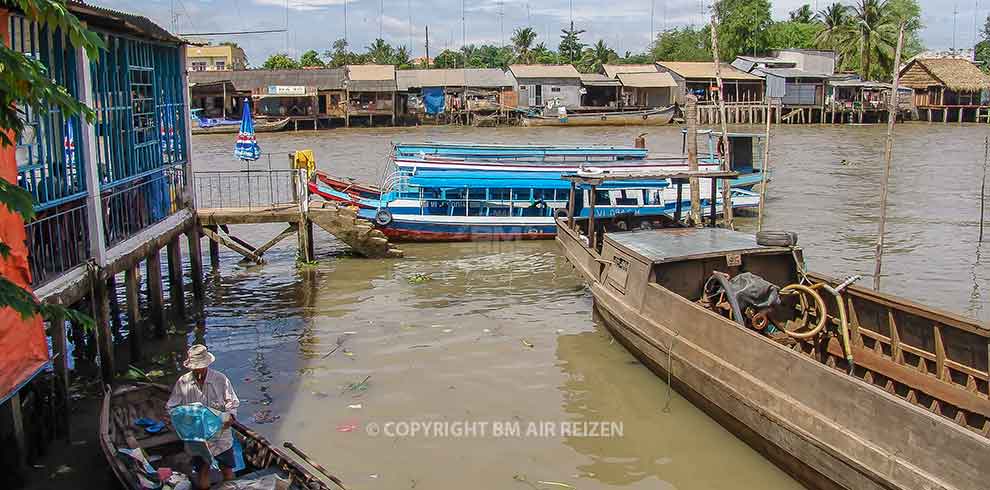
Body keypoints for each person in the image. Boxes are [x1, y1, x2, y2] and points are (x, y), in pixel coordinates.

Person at [166, 344, 240, 490]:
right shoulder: (183, 382)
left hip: (220, 435)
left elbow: (232, 403)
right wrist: (177, 419)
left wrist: (230, 417)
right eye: (195, 368)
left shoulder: (220, 379)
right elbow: (171, 407)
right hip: (197, 437)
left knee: (227, 469)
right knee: (203, 471)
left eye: (201, 367)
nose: (198, 370)